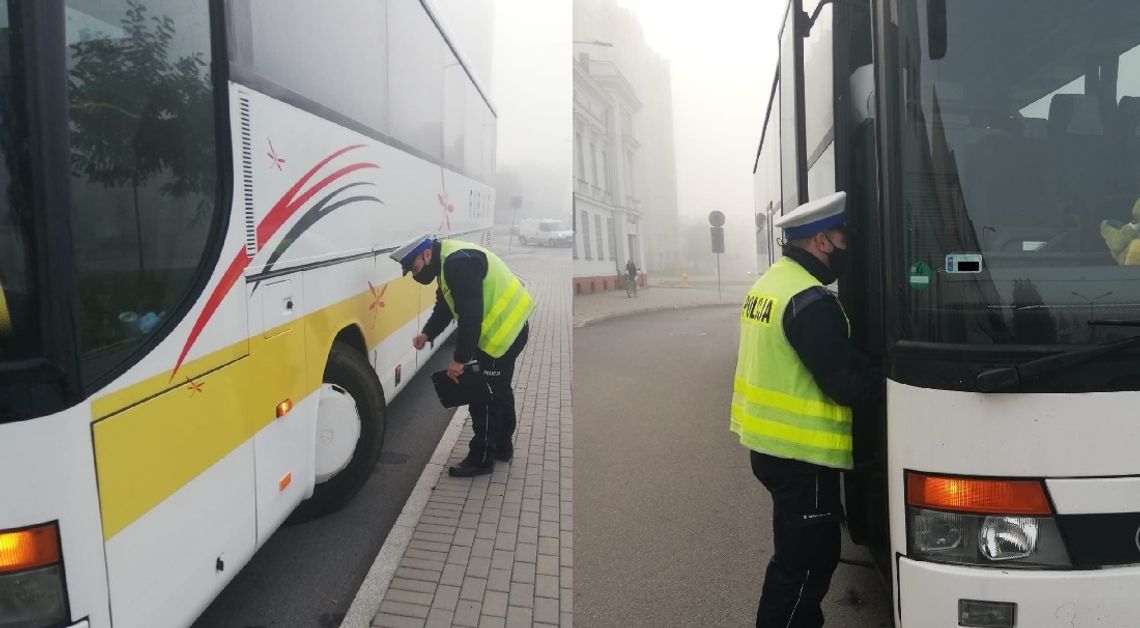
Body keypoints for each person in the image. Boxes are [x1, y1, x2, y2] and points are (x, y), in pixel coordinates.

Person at [729, 191, 883, 627]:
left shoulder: (771, 284)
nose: (846, 248)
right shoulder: (810, 302)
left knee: (798, 558)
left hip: (772, 447)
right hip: (802, 457)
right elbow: (846, 384)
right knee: (805, 565)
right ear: (821, 242)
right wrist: (895, 377)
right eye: (843, 238)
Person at [391, 233, 535, 477]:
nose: (414, 275)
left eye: (413, 268)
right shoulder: (447, 261)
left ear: (426, 254)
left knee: (484, 398)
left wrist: (459, 360)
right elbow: (446, 305)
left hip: (502, 334)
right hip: (511, 328)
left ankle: (481, 460)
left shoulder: (457, 263)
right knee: (499, 390)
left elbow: (470, 316)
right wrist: (427, 333)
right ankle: (502, 447)